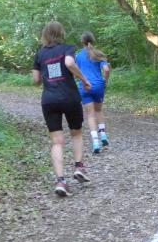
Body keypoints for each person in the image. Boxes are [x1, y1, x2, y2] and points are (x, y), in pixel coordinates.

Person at [32, 21, 92, 197]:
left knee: (57, 141)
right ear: (61, 33)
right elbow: (69, 63)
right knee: (76, 132)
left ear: (45, 34)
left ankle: (61, 181)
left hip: (49, 100)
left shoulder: (39, 54)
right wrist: (84, 79)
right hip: (69, 97)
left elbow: (36, 80)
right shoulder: (67, 48)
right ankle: (79, 167)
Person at [75, 32, 111, 154]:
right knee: (98, 111)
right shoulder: (98, 54)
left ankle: (95, 142)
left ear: (82, 42)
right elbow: (106, 69)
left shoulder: (78, 56)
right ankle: (103, 135)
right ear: (93, 40)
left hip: (85, 86)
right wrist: (105, 81)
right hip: (98, 85)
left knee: (90, 115)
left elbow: (76, 73)